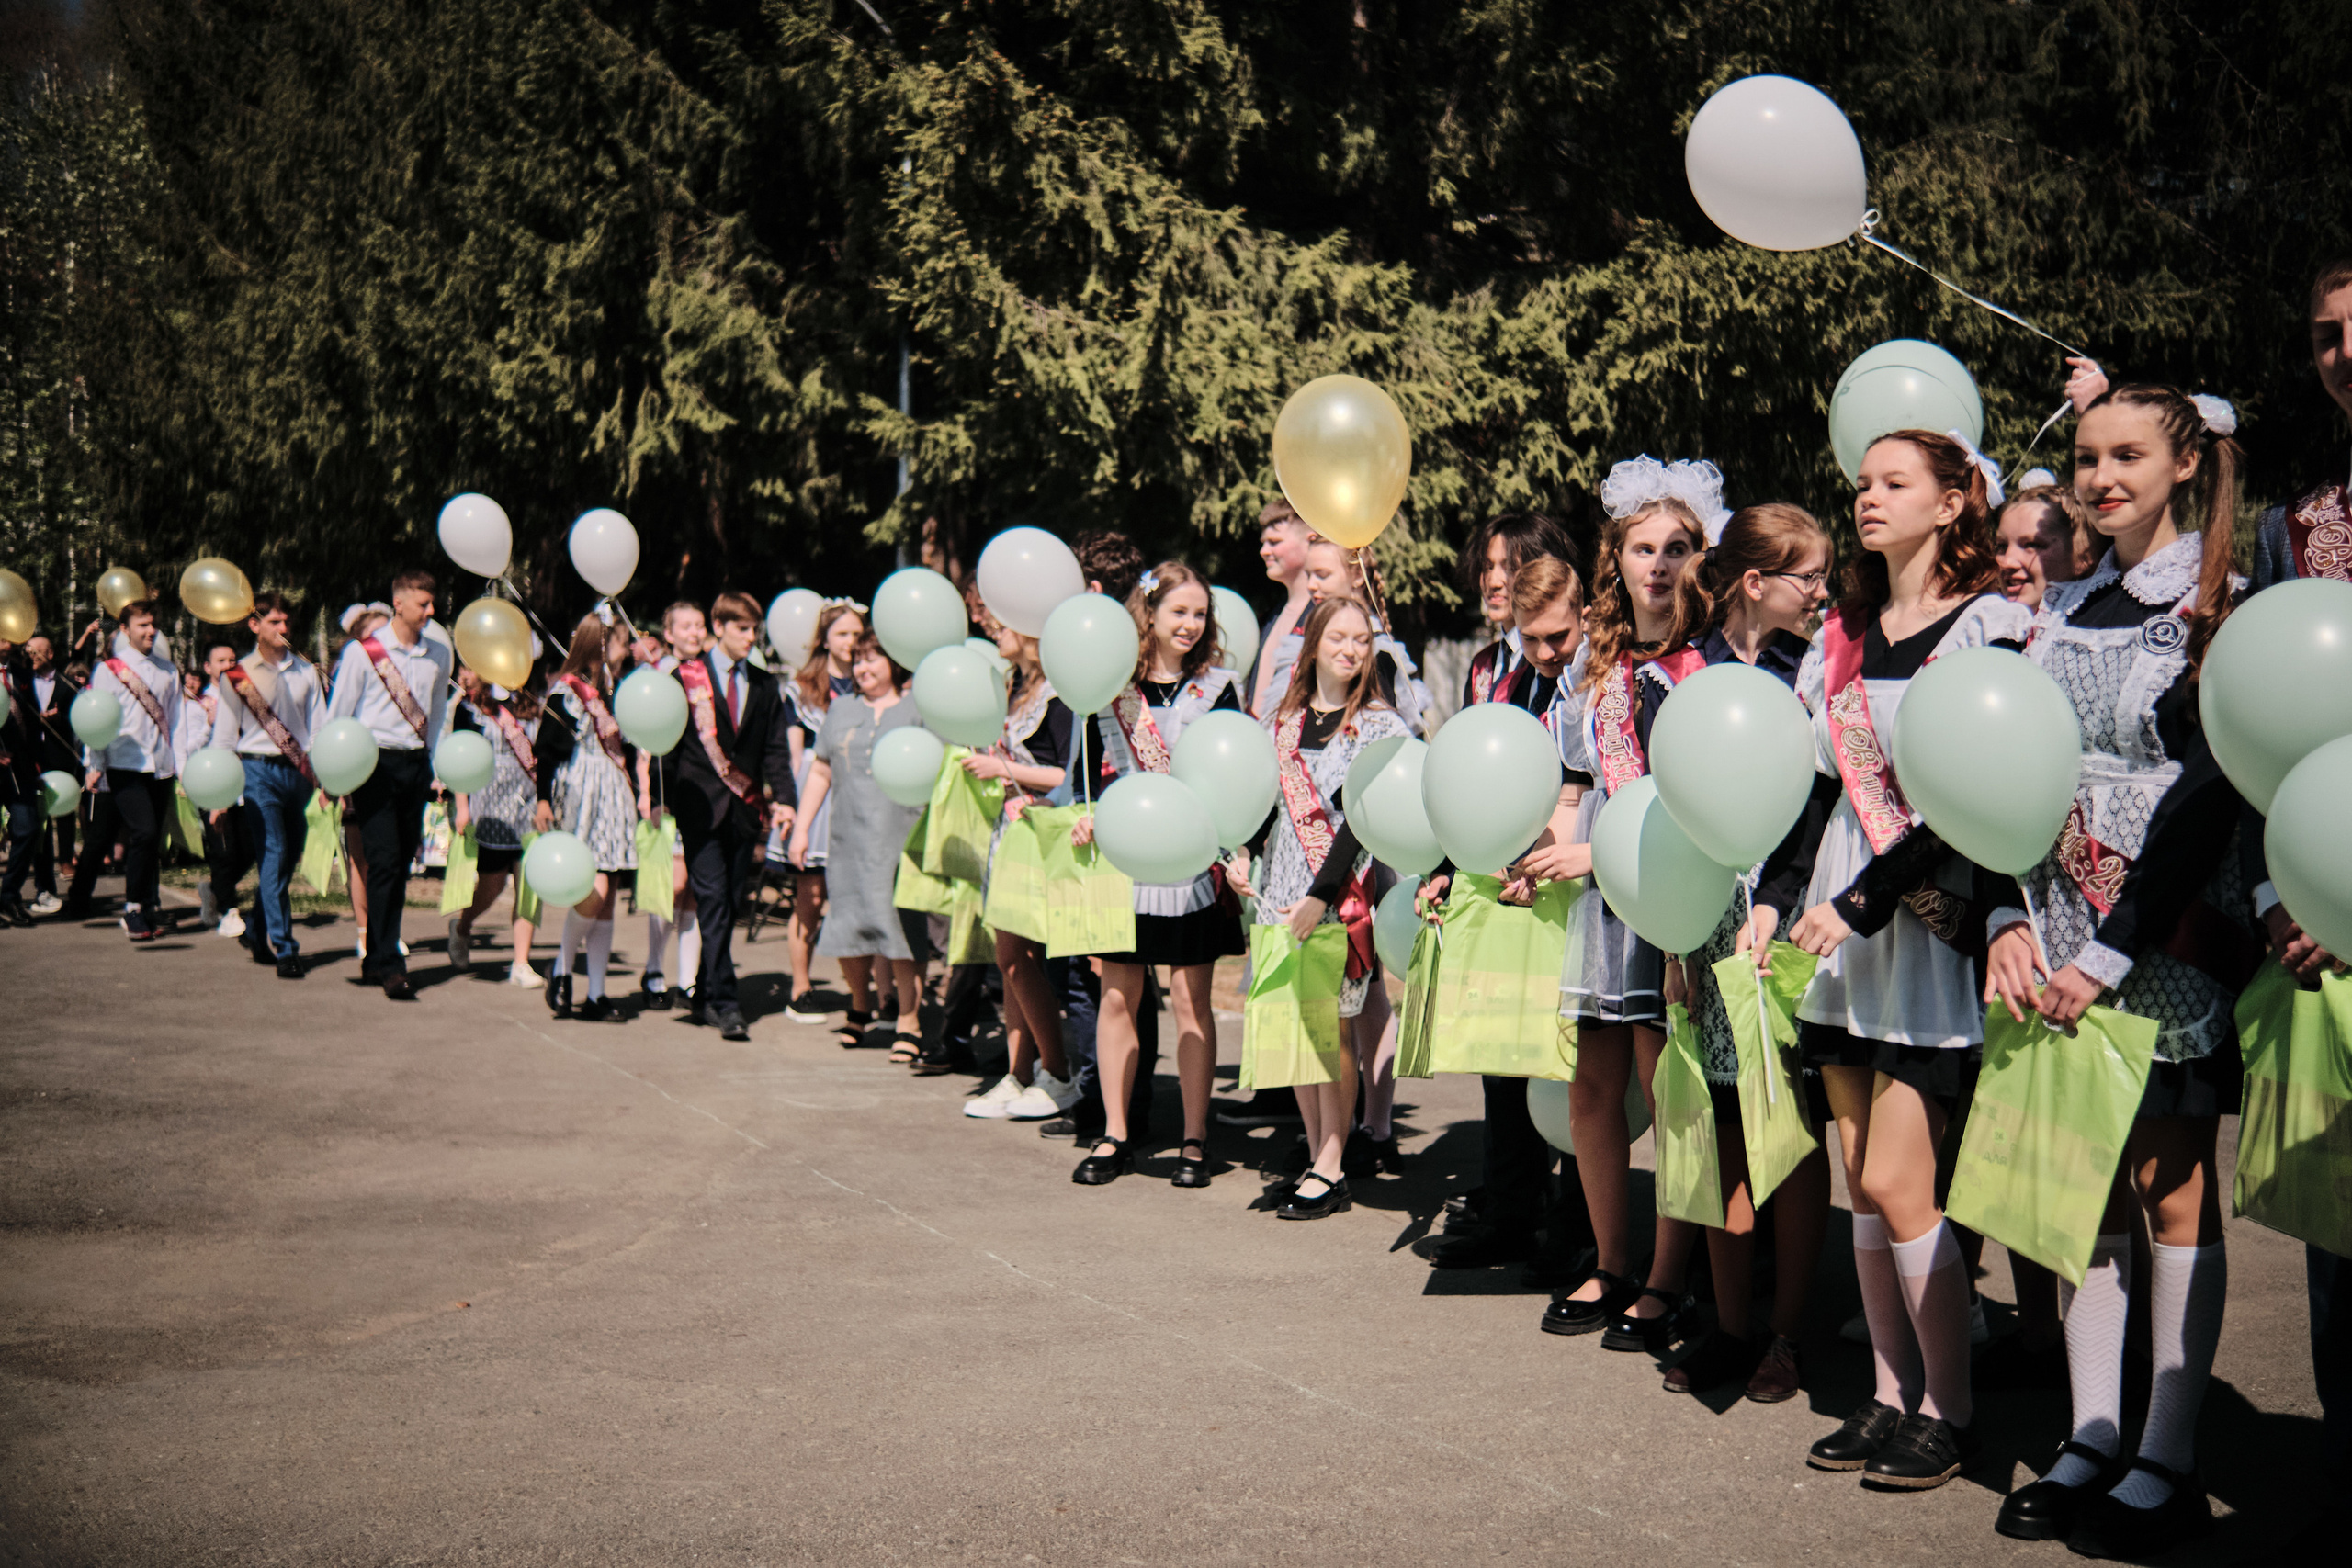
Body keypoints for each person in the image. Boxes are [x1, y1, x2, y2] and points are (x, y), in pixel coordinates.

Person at [1981, 385, 2257, 1554]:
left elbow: (2203, 807)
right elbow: (1994, 767)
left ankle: (2168, 1451)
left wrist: (2107, 951)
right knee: (2078, 1183)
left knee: (2166, 1184)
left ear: (2186, 465)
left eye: (2127, 455)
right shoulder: (2062, 605)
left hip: (2161, 932)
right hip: (2046, 927)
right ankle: (2093, 1430)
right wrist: (2000, 909)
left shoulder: (2223, 612)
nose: (2101, 478)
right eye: (2088, 457)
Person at [1765, 430, 2030, 1490]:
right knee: (1861, 1187)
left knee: (1896, 1176)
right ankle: (1888, 1395)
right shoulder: (1842, 630)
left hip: (1917, 923)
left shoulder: (1991, 629)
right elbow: (1819, 787)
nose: (1867, 500)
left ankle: (1948, 1410)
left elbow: (1972, 793)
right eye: (1862, 483)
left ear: (1953, 502)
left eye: (1893, 484)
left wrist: (1859, 902)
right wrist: (1782, 899)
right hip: (1834, 926)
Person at [1635, 503, 1838, 1404]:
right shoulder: (1676, 675)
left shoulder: (1825, 672)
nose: (1824, 592)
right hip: (1705, 928)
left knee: (1786, 1132)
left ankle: (1787, 1335)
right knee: (1723, 1129)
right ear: (1755, 583)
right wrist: (1675, 939)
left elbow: (1825, 805)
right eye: (1810, 576)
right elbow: (1665, 815)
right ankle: (1727, 1326)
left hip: (1793, 927)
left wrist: (1785, 907)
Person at [1544, 458, 1714, 1351]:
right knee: (1592, 1085)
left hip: (1670, 889)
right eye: (1641, 547)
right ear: (1615, 556)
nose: (1657, 564)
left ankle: (1667, 1275)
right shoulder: (1594, 657)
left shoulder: (1710, 662)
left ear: (1699, 557)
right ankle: (1610, 1258)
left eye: (1675, 548)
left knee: (1667, 1088)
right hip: (1597, 893)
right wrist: (1544, 846)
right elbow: (1576, 783)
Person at [2240, 256, 2352, 1568]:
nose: (2340, 352)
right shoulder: (2298, 525)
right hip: (2328, 931)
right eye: (2322, 334)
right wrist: (2284, 890)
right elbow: (2258, 727)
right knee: (2342, 1242)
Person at [1422, 516, 1592, 1280]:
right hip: (1501, 884)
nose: (1497, 579)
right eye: (1489, 566)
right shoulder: (1491, 668)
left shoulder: (1579, 670)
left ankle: (1577, 1228)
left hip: (1568, 876)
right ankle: (1510, 1208)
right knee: (1503, 1055)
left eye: (1513, 564)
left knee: (1567, 1058)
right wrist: (1448, 863)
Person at [1226, 595, 1411, 1216]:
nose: (1352, 649)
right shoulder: (1284, 721)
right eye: (1340, 637)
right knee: (1295, 1027)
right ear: (1314, 644)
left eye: (1363, 639)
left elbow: (1362, 819)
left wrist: (1320, 895)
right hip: (1278, 893)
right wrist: (1242, 854)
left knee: (1333, 1030)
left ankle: (1334, 1160)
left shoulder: (1381, 724)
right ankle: (1314, 1153)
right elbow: (1265, 801)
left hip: (1341, 898)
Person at [1069, 563, 1247, 1188]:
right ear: (1149, 613)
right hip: (1124, 859)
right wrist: (1086, 816)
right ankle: (1115, 1132)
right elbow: (1084, 774)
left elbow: (1237, 776)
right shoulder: (1111, 686)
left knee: (1191, 1000)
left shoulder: (1220, 688)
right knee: (1117, 995)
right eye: (1179, 612)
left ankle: (1195, 1138)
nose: (1191, 625)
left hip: (1192, 865)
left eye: (1201, 614)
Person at [658, 591, 796, 1041]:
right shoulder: (684, 678)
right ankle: (725, 1001)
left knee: (730, 905)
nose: (750, 638)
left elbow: (774, 749)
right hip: (698, 807)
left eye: (755, 630)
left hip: (744, 810)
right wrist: (664, 801)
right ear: (719, 626)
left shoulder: (764, 683)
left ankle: (701, 989)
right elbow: (669, 746)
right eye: (742, 629)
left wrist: (786, 799)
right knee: (713, 900)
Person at [961, 612, 1082, 1122]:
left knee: (1016, 954)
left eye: (1004, 620)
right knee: (1009, 957)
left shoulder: (1058, 693)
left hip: (1039, 831)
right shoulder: (1016, 686)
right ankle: (1019, 1071)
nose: (993, 627)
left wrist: (1003, 768)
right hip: (1009, 832)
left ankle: (1056, 1072)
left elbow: (1064, 772)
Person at [790, 629, 928, 1055]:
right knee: (847, 924)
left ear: (894, 663)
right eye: (858, 660)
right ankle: (860, 1004)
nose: (863, 668)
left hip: (902, 837)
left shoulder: (916, 709)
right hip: (849, 838)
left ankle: (909, 1019)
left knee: (902, 930)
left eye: (873, 659)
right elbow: (820, 771)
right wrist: (801, 827)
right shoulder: (842, 708)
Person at [327, 572, 452, 999]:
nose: (431, 611)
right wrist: (334, 774)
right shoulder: (363, 654)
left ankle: (375, 956)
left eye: (432, 604)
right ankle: (388, 963)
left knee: (399, 865)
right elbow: (339, 714)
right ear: (399, 604)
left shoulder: (439, 653)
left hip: (415, 765)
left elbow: (436, 714)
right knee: (382, 860)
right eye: (423, 604)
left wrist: (433, 764)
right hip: (374, 765)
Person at [209, 592, 330, 977]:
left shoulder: (306, 671)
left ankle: (258, 929)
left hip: (299, 774)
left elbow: (320, 730)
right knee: (274, 853)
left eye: (286, 622)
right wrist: (220, 798)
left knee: (287, 858)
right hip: (257, 771)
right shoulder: (238, 675)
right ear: (254, 624)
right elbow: (225, 740)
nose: (283, 629)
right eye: (274, 621)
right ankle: (286, 948)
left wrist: (325, 780)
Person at [534, 615, 640, 1021]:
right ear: (601, 643)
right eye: (622, 641)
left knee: (608, 893)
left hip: (613, 793)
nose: (628, 647)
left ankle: (597, 993)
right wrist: (543, 799)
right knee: (592, 890)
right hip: (583, 791)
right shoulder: (569, 690)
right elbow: (546, 748)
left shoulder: (613, 688)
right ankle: (562, 967)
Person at [79, 600, 183, 942]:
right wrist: (94, 763)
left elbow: (177, 721)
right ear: (125, 630)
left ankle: (148, 904)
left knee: (150, 842)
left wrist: (180, 764)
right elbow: (98, 717)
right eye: (142, 625)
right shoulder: (109, 670)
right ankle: (133, 908)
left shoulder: (168, 670)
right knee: (144, 832)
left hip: (160, 766)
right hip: (124, 763)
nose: (150, 631)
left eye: (153, 624)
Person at [1256, 537, 1431, 734]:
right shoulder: (1298, 645)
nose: (1312, 585)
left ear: (1357, 575)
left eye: (1322, 575)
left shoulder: (1378, 655)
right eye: (1309, 575)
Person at [782, 602, 864, 1023]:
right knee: (810, 896)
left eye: (856, 634)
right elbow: (795, 755)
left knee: (853, 897)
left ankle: (861, 992)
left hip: (858, 792)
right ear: (825, 639)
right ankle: (801, 985)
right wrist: (799, 813)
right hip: (817, 790)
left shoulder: (868, 682)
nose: (851, 643)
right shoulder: (803, 688)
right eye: (843, 635)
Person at [446, 666, 544, 987]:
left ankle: (521, 962)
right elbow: (460, 758)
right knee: (493, 885)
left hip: (528, 804)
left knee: (529, 883)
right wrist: (462, 806)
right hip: (490, 808)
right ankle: (462, 928)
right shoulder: (473, 708)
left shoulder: (534, 704)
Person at [635, 601, 706, 1010]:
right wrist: (648, 793)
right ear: (670, 633)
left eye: (699, 625)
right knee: (670, 884)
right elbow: (645, 741)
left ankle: (689, 978)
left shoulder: (707, 674)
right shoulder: (658, 677)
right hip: (666, 790)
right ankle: (654, 969)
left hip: (702, 794)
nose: (694, 633)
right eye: (686, 626)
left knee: (694, 888)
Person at [178, 638, 247, 931]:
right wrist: (208, 725)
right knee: (222, 849)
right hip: (211, 784)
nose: (229, 666)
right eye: (221, 661)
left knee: (249, 847)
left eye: (233, 660)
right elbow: (187, 749)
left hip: (244, 782)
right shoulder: (196, 705)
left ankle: (214, 890)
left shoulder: (245, 695)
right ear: (207, 667)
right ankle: (229, 910)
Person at [1249, 499, 1316, 716]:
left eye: (1274, 542)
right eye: (1263, 542)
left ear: (1311, 541)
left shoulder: (1323, 615)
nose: (1263, 551)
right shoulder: (1271, 615)